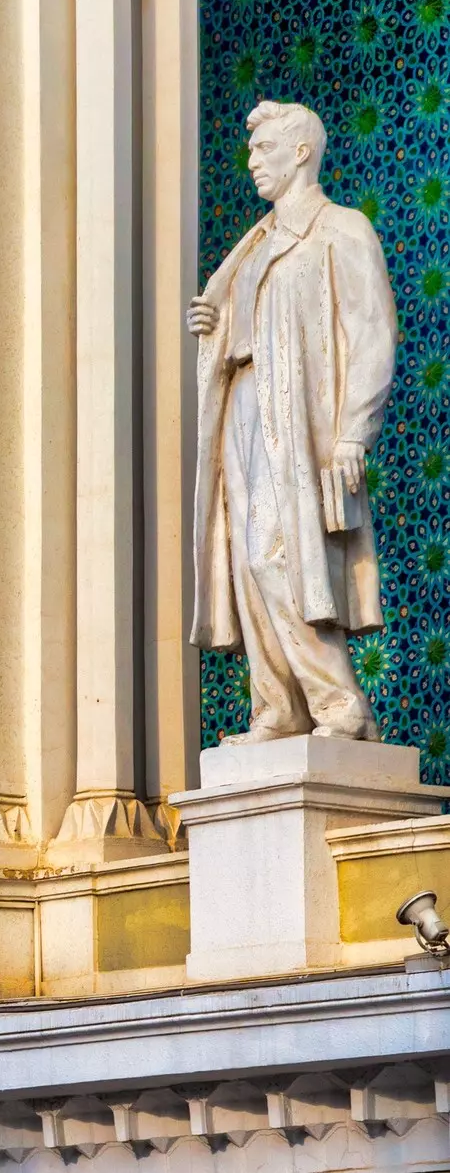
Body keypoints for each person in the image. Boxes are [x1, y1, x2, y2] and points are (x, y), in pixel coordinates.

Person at [187, 101, 397, 745]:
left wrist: (354, 431)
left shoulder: (340, 229)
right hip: (244, 410)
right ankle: (277, 707)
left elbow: (372, 332)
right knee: (247, 560)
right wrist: (214, 328)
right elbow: (245, 324)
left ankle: (340, 704)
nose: (252, 163)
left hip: (298, 422)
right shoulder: (254, 244)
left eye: (265, 150)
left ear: (301, 152)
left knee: (280, 555)